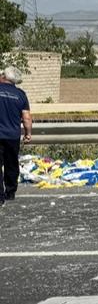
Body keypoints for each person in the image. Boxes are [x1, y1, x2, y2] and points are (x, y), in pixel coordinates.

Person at [0, 66, 32, 206]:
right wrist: (28, 133)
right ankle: (10, 192)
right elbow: (26, 117)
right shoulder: (20, 94)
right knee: (11, 163)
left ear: (4, 77)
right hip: (13, 136)